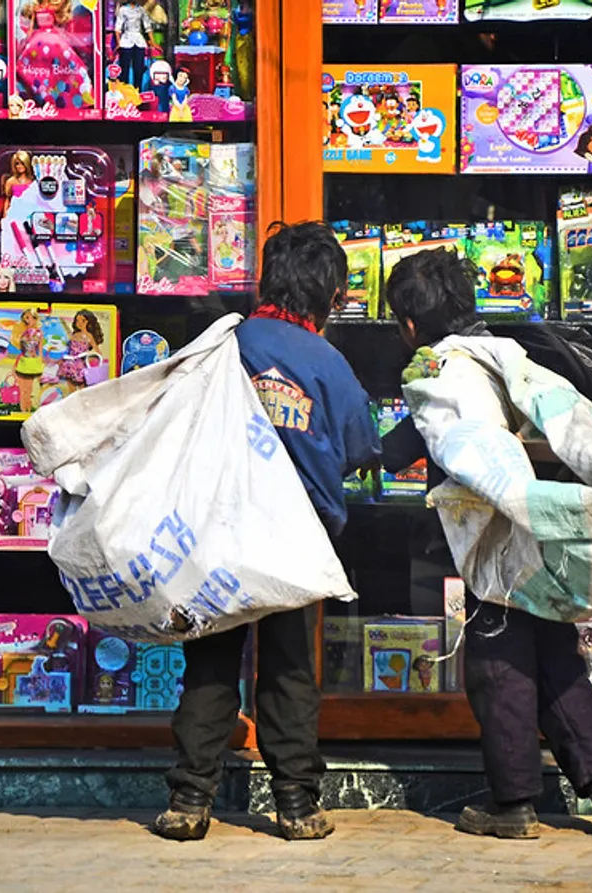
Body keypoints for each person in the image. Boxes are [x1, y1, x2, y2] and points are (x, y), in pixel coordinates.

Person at [380, 247, 592, 840]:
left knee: (499, 670)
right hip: (545, 546)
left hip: (499, 553)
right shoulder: (513, 358)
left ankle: (515, 804)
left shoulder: (446, 377)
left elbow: (408, 445)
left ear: (407, 325)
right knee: (558, 662)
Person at [154, 222, 381, 843]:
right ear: (331, 296)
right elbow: (360, 447)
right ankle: (297, 805)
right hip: (295, 541)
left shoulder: (223, 345)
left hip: (214, 536)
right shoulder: (329, 363)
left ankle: (189, 798)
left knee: (210, 661)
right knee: (288, 670)